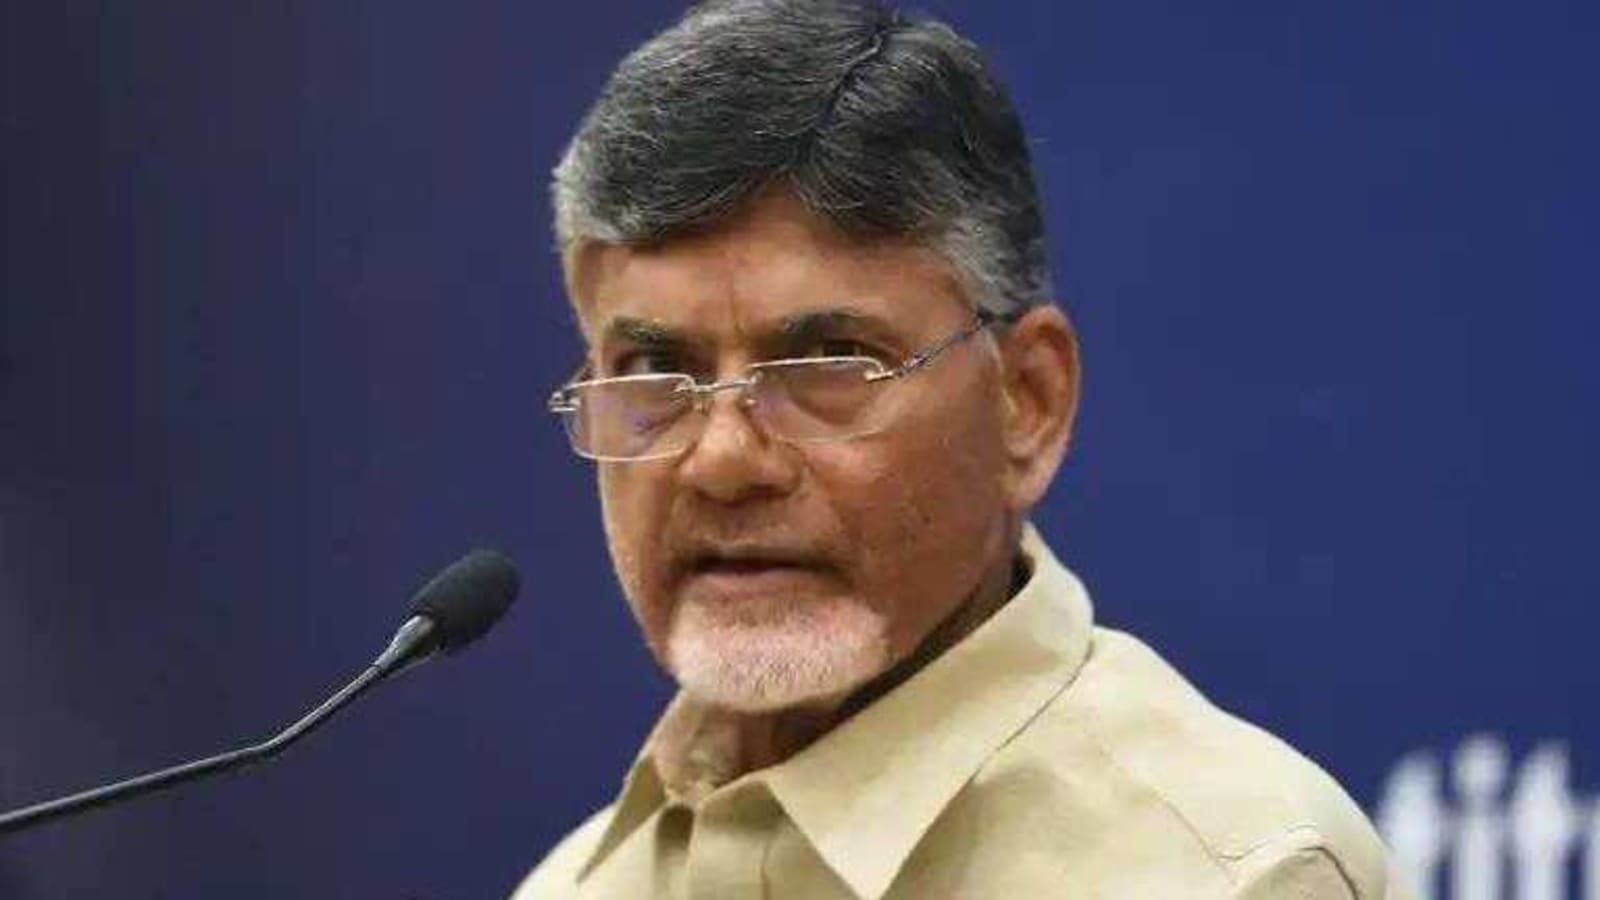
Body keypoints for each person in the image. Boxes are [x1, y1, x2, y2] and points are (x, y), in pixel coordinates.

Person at [514, 1, 1400, 897]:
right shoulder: (575, 887)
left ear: (1027, 402)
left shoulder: (1225, 875)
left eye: (830, 364)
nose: (723, 460)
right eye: (653, 369)